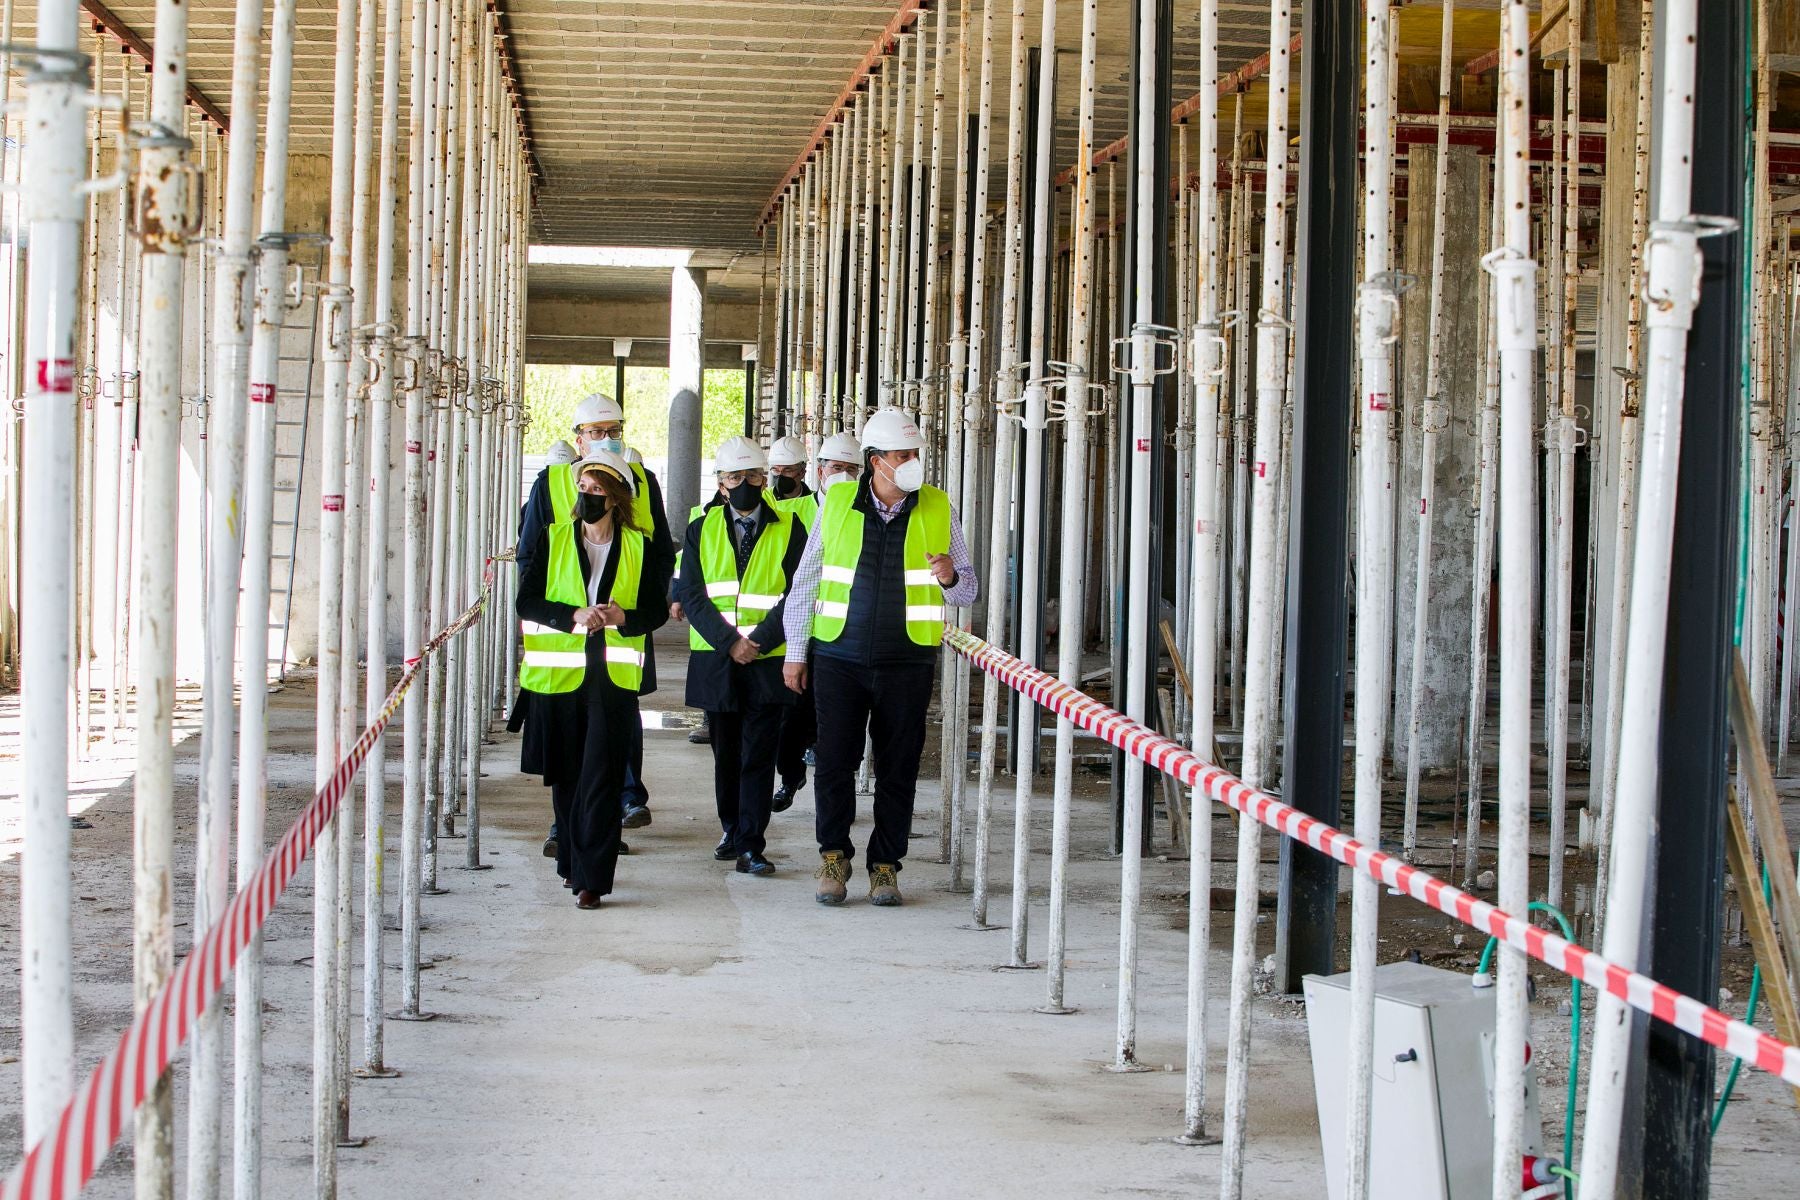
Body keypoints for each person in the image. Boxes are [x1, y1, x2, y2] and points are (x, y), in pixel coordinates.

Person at [782, 408, 978, 906]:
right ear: (875, 462)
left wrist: (950, 576)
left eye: (914, 454)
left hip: (907, 661)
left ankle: (886, 866)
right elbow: (806, 582)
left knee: (898, 768)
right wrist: (796, 653)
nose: (911, 463)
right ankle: (833, 856)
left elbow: (967, 592)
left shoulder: (937, 506)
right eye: (900, 455)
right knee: (834, 762)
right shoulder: (839, 501)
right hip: (840, 657)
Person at [515, 450, 670, 909]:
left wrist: (624, 616)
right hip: (557, 679)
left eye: (597, 492)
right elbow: (526, 602)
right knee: (565, 777)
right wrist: (574, 615)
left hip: (612, 680)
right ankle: (570, 860)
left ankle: (592, 879)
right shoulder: (553, 537)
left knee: (601, 779)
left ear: (616, 499)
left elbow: (657, 611)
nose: (587, 498)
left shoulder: (642, 547)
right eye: (584, 490)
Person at [676, 437, 805, 876]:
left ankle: (752, 843)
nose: (746, 484)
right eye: (736, 477)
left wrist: (760, 641)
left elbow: (798, 593)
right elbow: (691, 593)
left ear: (764, 478)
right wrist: (730, 641)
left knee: (759, 756)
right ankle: (731, 828)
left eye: (753, 476)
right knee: (726, 753)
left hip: (767, 661)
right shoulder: (701, 527)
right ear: (721, 483)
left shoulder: (790, 527)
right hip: (718, 659)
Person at [770, 430, 862, 813]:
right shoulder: (794, 509)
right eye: (833, 467)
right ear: (820, 470)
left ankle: (839, 799)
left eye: (847, 469)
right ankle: (790, 779)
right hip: (799, 625)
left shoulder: (862, 509)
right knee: (791, 715)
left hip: (841, 633)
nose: (839, 474)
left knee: (839, 726)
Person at [767, 435, 810, 503]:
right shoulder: (762, 500)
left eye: (787, 470)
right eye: (775, 470)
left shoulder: (816, 502)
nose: (780, 475)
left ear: (802, 472)